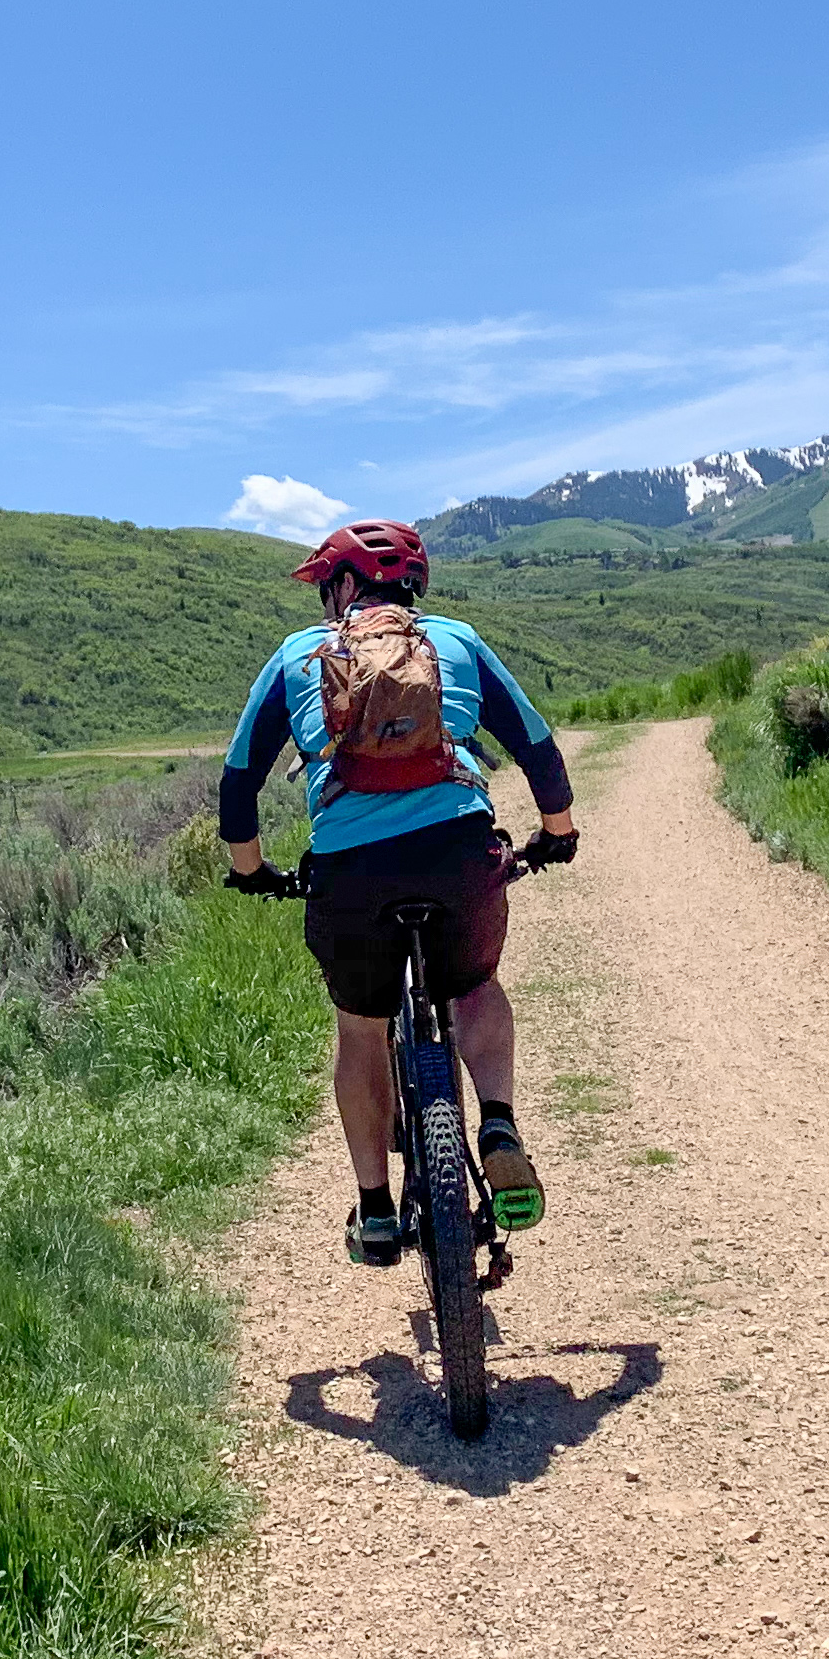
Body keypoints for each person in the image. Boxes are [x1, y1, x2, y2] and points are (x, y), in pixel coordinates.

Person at [220, 520, 581, 1267]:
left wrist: (252, 869)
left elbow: (238, 783)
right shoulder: (457, 640)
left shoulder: (297, 654)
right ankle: (500, 1126)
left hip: (351, 875)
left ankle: (376, 1208)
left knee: (360, 1029)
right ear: (409, 586)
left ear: (346, 585)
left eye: (328, 587)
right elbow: (537, 747)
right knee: (474, 984)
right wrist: (557, 831)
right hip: (456, 855)